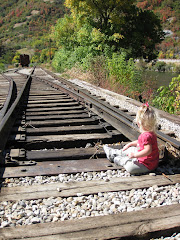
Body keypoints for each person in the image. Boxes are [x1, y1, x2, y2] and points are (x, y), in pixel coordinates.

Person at [103, 102, 159, 174]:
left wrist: (134, 155)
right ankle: (113, 153)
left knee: (130, 168)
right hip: (150, 162)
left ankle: (119, 159)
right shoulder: (151, 133)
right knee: (131, 149)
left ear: (139, 123)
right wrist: (130, 144)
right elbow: (140, 142)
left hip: (146, 165)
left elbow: (148, 150)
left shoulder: (146, 136)